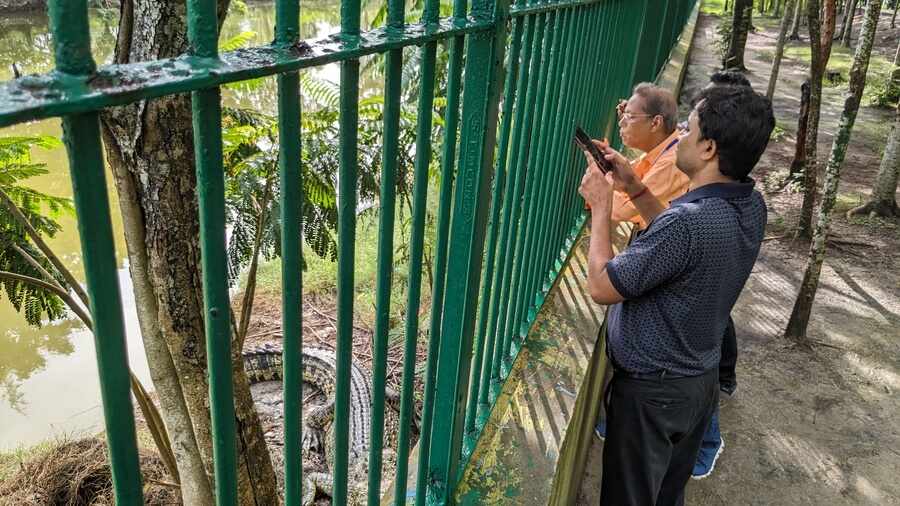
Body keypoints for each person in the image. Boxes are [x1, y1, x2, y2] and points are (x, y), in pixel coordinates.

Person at [578, 85, 774, 505]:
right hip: (696, 384)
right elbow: (681, 244)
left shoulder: (687, 224)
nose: (679, 135)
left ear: (707, 148)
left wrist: (600, 209)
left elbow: (601, 286)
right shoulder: (750, 206)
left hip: (653, 394)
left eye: (689, 129)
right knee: (667, 495)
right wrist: (633, 185)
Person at [610, 83, 689, 230]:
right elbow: (630, 178)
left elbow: (622, 210)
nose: (621, 122)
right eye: (623, 114)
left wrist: (596, 188)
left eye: (629, 117)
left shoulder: (671, 162)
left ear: (655, 123)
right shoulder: (668, 146)